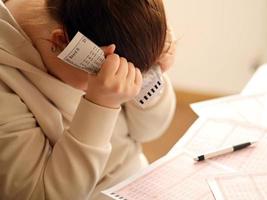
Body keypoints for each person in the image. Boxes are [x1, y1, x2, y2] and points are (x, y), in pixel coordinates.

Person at [0, 0, 176, 199]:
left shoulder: (111, 33)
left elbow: (148, 131)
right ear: (59, 42)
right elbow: (39, 194)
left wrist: (152, 72)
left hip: (139, 183)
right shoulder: (5, 86)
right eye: (108, 71)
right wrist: (100, 104)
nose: (122, 85)